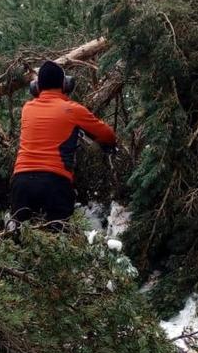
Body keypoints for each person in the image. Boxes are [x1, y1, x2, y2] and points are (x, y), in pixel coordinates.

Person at [10, 60, 117, 228]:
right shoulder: (72, 109)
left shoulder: (27, 109)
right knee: (56, 241)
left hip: (21, 182)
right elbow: (108, 135)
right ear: (65, 84)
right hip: (54, 182)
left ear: (36, 87)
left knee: (21, 241)